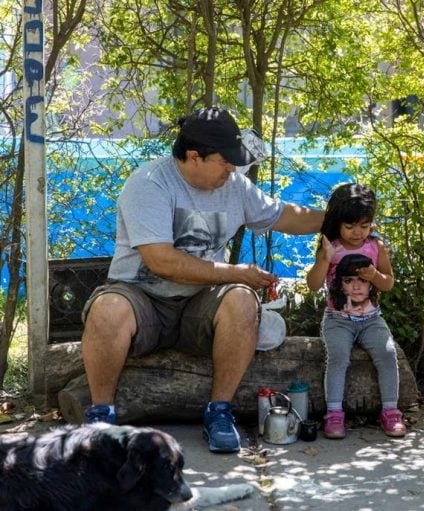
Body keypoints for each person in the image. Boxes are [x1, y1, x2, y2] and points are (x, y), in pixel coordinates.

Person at [79, 107, 324, 454]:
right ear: (194, 156)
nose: (231, 169)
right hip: (142, 298)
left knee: (241, 299)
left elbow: (283, 215)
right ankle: (101, 417)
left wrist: (338, 219)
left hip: (201, 303)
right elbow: (161, 261)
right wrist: (237, 272)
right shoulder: (149, 184)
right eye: (225, 162)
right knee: (106, 308)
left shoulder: (236, 186)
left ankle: (219, 411)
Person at [305, 183, 406, 439]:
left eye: (364, 225)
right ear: (338, 223)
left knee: (387, 353)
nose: (357, 232)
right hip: (337, 319)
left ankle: (391, 411)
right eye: (350, 226)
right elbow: (313, 285)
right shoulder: (331, 247)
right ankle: (335, 413)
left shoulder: (375, 246)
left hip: (372, 319)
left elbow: (389, 283)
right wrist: (325, 259)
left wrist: (374, 274)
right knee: (338, 356)